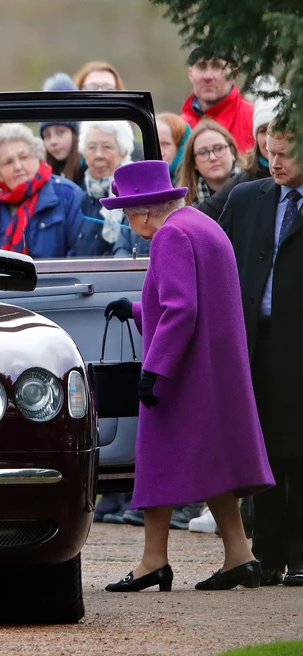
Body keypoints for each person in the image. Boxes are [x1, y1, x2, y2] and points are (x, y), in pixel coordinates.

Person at [101, 160, 273, 592]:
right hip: (214, 371)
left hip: (183, 372)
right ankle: (240, 556)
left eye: (126, 213)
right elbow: (197, 299)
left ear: (142, 212)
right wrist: (139, 310)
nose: (128, 221)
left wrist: (154, 370)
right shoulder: (200, 224)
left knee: (158, 463)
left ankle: (152, 562)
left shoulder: (169, 236)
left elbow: (182, 309)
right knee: (212, 463)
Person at [219, 128, 303, 587]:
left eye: (286, 156)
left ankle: (302, 552)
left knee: (301, 452)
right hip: (255, 342)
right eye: (270, 154)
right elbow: (211, 247)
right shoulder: (248, 197)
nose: (275, 164)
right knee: (263, 450)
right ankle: (268, 554)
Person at [0, 124, 84, 260]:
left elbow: (77, 258)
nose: (18, 167)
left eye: (24, 157)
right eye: (8, 162)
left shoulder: (69, 196)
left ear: (38, 157)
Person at [201, 90, 282, 223]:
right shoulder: (244, 182)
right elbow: (206, 212)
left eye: (278, 128)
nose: (269, 137)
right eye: (263, 131)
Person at [68, 120, 133, 258]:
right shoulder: (83, 197)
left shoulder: (134, 196)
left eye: (107, 147)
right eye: (91, 147)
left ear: (123, 152)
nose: (98, 155)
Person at [181, 49, 254, 153]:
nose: (208, 76)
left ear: (235, 75)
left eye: (217, 67)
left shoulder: (255, 121)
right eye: (201, 67)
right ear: (190, 74)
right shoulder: (179, 127)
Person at [181, 119, 243, 208]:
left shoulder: (254, 186)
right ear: (193, 162)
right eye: (203, 152)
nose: (212, 158)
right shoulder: (183, 204)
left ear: (232, 152)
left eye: (219, 148)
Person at [39, 73, 82, 185]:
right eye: (47, 135)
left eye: (60, 132)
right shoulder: (43, 175)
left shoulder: (91, 175)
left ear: (76, 133)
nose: (53, 142)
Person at [156, 113, 191, 185]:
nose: (160, 153)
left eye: (166, 144)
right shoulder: (144, 181)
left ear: (182, 148)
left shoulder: (195, 184)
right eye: (155, 145)